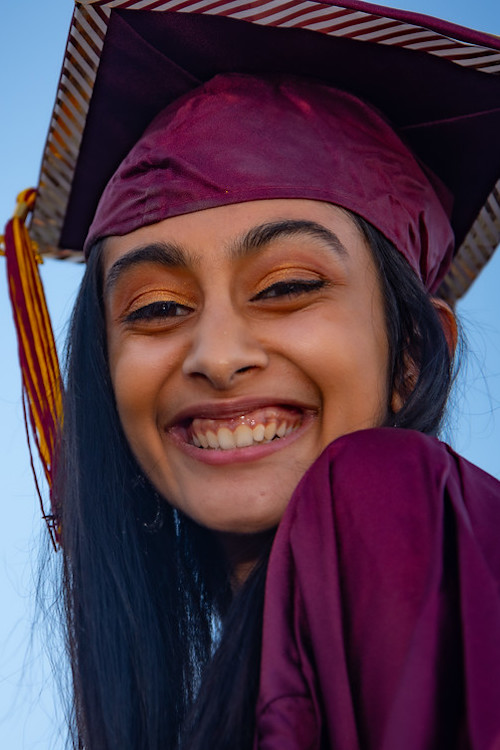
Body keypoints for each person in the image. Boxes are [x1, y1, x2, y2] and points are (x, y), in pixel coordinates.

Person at [4, 3, 500, 749]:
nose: (218, 353)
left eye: (287, 287)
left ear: (414, 356)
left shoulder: (385, 488)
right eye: (159, 307)